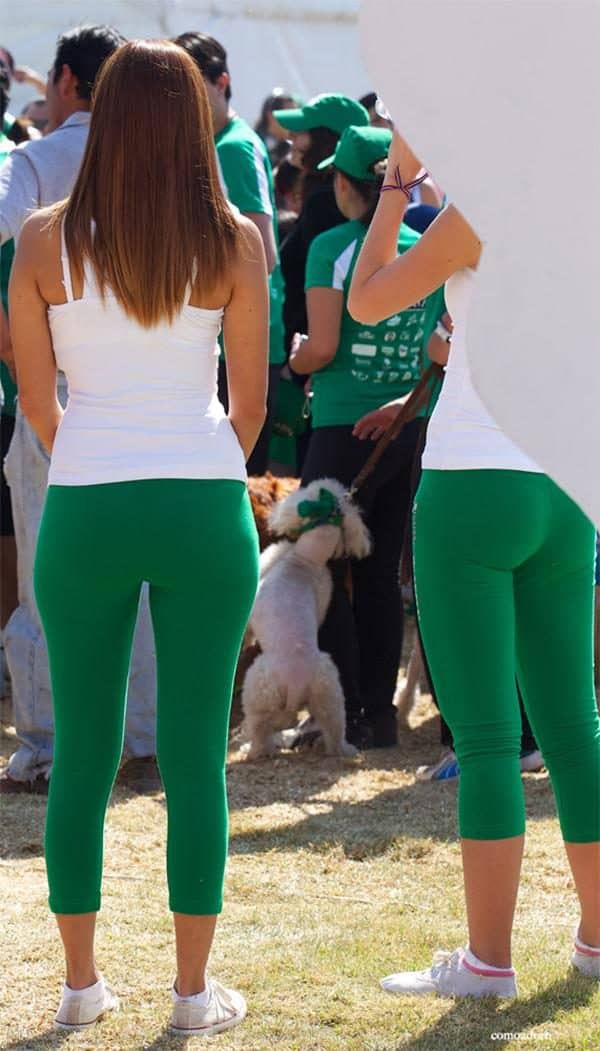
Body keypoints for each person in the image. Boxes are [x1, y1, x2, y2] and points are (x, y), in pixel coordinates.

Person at [10, 39, 266, 1035]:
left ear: (102, 112)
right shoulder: (235, 239)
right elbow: (248, 408)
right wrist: (196, 465)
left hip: (88, 503)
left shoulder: (41, 240)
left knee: (82, 751)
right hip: (204, 503)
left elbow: (39, 403)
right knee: (199, 756)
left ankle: (80, 988)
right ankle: (193, 995)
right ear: (196, 119)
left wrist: (96, 464)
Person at [349, 129, 600, 995]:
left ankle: (489, 962)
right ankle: (597, 939)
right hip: (563, 479)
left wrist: (395, 181)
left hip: (476, 479)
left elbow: (367, 301)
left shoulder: (477, 214)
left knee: (491, 737)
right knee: (576, 726)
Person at [0, 24, 158, 795]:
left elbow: (4, 226)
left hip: (59, 379)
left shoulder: (36, 158)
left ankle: (45, 744)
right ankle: (146, 739)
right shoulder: (163, 161)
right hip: (156, 388)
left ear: (64, 79)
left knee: (47, 571)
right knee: (147, 574)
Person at [290, 125, 445, 747]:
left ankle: (343, 711)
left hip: (338, 428)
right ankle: (379, 715)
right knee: (381, 575)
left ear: (348, 185)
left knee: (320, 569)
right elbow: (438, 351)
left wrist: (296, 357)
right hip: (404, 427)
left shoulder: (331, 247)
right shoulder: (425, 246)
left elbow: (323, 346)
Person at [175, 32, 284, 476]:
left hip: (237, 336)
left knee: (233, 481)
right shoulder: (219, 142)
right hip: (231, 331)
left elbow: (263, 254)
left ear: (222, 82)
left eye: (191, 86)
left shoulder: (234, 147)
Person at [254, 87, 298, 166]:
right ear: (271, 115)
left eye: (295, 114)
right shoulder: (255, 145)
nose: (294, 120)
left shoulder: (293, 145)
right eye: (289, 114)